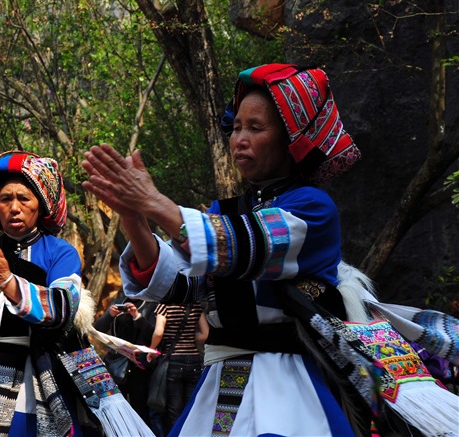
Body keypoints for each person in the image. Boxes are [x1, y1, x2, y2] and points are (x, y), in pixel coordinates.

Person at [82, 64, 368, 436]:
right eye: (236, 128)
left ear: (291, 139)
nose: (239, 139)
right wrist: (134, 217)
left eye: (255, 128)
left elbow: (243, 245)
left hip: (286, 380)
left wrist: (154, 202)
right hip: (220, 379)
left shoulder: (312, 207)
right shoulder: (225, 212)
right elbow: (182, 285)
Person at [0, 150, 153, 436]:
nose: (14, 207)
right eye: (5, 199)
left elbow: (62, 309)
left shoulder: (59, 252)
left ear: (41, 205)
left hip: (36, 373)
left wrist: (5, 280)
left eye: (24, 198)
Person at [94, 296, 157, 431]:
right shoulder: (119, 301)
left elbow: (153, 335)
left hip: (139, 366)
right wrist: (110, 316)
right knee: (116, 409)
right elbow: (98, 330)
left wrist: (137, 317)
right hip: (116, 364)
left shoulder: (151, 303)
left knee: (140, 409)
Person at [148, 303, 208, 432]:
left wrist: (151, 349)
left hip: (174, 361)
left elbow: (159, 332)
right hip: (194, 361)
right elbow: (205, 333)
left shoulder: (165, 306)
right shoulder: (196, 306)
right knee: (190, 408)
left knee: (174, 411)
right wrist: (189, 338)